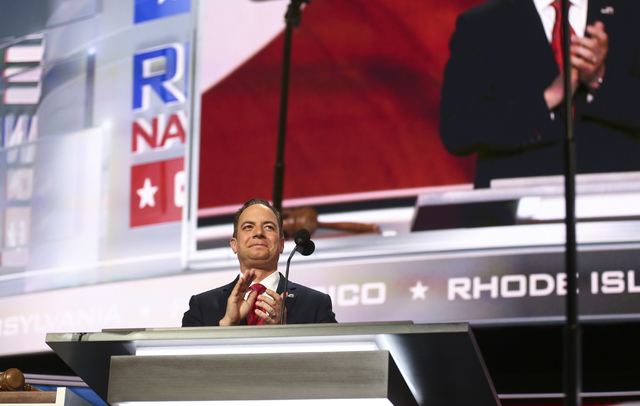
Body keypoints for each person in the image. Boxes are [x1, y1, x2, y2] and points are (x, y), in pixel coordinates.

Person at [439, 0, 640, 188]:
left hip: (621, 196)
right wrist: (548, 99)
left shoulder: (631, 13)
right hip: (518, 198)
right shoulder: (481, 24)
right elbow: (458, 131)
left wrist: (598, 79)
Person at [182, 199, 337, 326]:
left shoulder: (315, 304)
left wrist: (283, 334)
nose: (258, 233)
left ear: (281, 244)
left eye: (268, 227)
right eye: (248, 227)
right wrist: (226, 324)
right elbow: (187, 355)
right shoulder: (201, 307)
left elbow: (334, 354)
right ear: (234, 244)